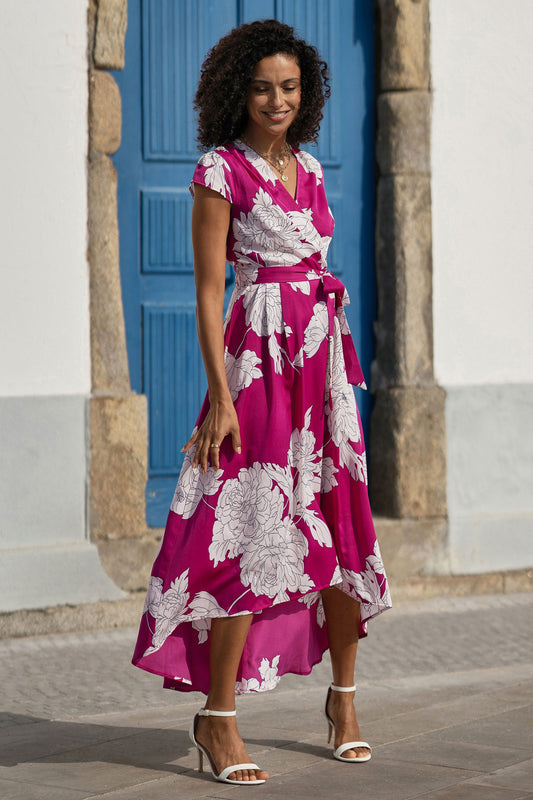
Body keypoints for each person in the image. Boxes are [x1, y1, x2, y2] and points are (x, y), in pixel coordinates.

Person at [132, 18, 391, 786]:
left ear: (304, 92)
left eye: (288, 87)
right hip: (258, 365)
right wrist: (219, 398)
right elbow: (210, 296)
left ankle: (344, 703)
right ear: (234, 92)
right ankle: (218, 717)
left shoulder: (307, 168)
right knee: (248, 524)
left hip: (322, 369)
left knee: (341, 527)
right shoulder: (220, 171)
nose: (276, 99)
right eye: (260, 87)